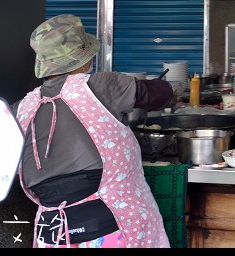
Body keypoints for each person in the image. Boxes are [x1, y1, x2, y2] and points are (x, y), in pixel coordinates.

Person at [14, 14, 173, 248]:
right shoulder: (99, 85)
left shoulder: (21, 107)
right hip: (113, 225)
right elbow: (161, 95)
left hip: (53, 232)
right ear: (83, 59)